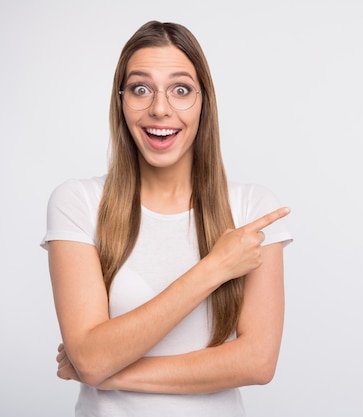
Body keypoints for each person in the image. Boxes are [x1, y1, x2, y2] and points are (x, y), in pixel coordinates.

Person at [40, 20, 292, 417]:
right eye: (141, 89)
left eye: (181, 90)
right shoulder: (79, 202)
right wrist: (215, 268)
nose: (160, 107)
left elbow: (257, 362)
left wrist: (111, 373)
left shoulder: (251, 210)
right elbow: (89, 357)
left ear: (203, 101)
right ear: (120, 101)